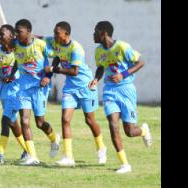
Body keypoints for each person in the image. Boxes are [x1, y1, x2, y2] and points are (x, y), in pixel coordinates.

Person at [89, 20, 152, 173]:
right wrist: (96, 79)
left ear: (104, 33)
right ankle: (125, 164)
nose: (93, 34)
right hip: (110, 91)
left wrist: (123, 75)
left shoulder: (122, 47)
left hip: (126, 90)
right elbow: (101, 68)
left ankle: (143, 131)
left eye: (96, 31)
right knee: (113, 123)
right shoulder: (98, 51)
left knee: (130, 131)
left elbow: (140, 62)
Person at [44, 21, 107, 167]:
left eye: (57, 33)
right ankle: (68, 157)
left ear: (66, 34)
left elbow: (74, 71)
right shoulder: (57, 44)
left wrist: (53, 70)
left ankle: (101, 148)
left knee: (90, 121)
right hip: (70, 89)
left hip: (85, 86)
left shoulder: (76, 48)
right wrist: (54, 66)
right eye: (53, 33)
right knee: (65, 119)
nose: (54, 36)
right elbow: (58, 56)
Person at [13, 19, 60, 165]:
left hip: (40, 87)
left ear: (28, 30)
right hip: (23, 88)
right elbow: (15, 60)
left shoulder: (41, 44)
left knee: (40, 123)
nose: (16, 34)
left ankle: (54, 138)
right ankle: (33, 157)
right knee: (24, 121)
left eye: (19, 31)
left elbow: (57, 57)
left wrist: (48, 76)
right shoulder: (15, 45)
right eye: (15, 32)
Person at [0, 24, 28, 164]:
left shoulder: (18, 51)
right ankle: (27, 151)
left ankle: (0, 155)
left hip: (16, 93)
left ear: (11, 36)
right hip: (4, 94)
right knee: (13, 124)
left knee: (5, 121)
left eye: (2, 34)